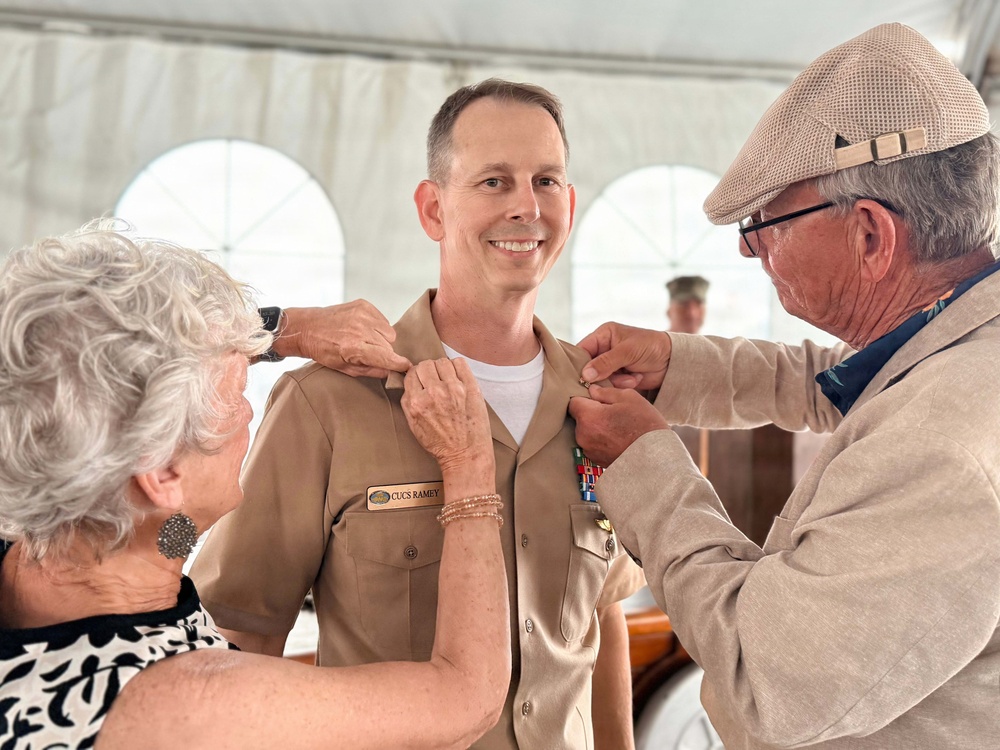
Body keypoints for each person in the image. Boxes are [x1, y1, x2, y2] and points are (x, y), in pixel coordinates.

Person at [570, 23, 1000, 750]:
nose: (748, 245)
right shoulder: (957, 343)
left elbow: (761, 684)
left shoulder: (942, 449)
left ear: (870, 235)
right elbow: (843, 383)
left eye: (771, 219)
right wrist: (680, 365)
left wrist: (648, 469)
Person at [191, 79, 644, 750]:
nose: (527, 205)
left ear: (570, 205)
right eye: (493, 182)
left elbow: (602, 622)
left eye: (546, 181)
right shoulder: (327, 404)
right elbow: (243, 631)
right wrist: (272, 330)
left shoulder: (607, 404)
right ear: (432, 209)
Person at [0, 225, 511, 749]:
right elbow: (467, 698)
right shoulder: (190, 707)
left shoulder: (100, 541)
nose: (249, 410)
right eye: (236, 393)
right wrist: (468, 462)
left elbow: (66, 345)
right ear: (160, 474)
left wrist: (286, 330)